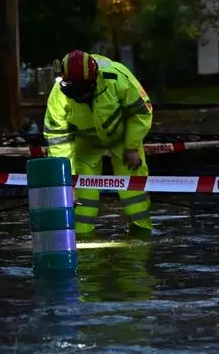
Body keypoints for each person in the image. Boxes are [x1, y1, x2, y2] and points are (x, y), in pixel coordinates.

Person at [43, 50, 154, 236]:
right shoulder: (59, 95)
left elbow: (142, 113)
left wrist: (132, 146)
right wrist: (66, 180)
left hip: (122, 139)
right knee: (80, 202)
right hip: (84, 144)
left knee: (135, 194)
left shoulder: (117, 78)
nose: (80, 96)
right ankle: (81, 241)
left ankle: (142, 234)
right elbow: (58, 139)